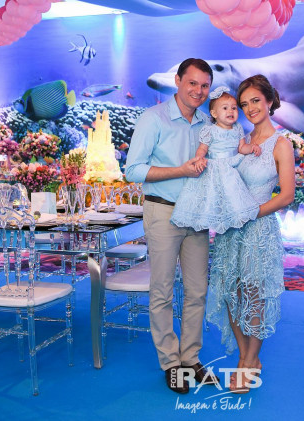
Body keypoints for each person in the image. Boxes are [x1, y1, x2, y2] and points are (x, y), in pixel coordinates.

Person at [125, 58, 218, 394]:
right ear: (177, 81)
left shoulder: (207, 123)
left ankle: (191, 358)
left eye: (205, 86)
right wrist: (181, 170)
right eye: (192, 83)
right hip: (163, 211)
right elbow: (133, 170)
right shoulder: (154, 118)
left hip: (197, 216)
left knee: (197, 291)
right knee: (162, 291)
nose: (198, 91)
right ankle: (170, 363)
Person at [205, 74, 295, 393]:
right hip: (231, 230)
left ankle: (248, 361)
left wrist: (252, 212)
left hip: (258, 228)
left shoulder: (281, 144)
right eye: (244, 104)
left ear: (269, 101)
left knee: (254, 296)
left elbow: (287, 195)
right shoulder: (238, 139)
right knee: (231, 293)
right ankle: (247, 357)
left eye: (256, 100)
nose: (250, 108)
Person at [170, 86, 261, 234]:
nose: (230, 111)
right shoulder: (210, 130)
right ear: (214, 113)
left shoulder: (237, 128)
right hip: (214, 166)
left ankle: (231, 218)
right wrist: (199, 159)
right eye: (225, 108)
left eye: (234, 108)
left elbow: (241, 147)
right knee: (211, 195)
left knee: (232, 195)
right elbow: (202, 148)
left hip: (231, 166)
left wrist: (251, 147)